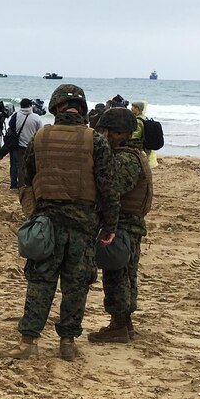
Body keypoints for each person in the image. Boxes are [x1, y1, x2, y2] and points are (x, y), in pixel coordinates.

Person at [12, 84, 119, 361]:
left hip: (46, 222)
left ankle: (28, 342)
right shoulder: (95, 141)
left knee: (40, 283)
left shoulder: (40, 136)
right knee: (76, 286)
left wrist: (35, 213)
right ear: (82, 109)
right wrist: (110, 226)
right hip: (83, 227)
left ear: (55, 107)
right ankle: (68, 342)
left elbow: (27, 177)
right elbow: (109, 188)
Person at [88, 108, 152, 343]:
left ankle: (118, 325)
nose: (106, 136)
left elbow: (111, 190)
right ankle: (124, 323)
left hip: (124, 225)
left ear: (124, 133)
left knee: (117, 274)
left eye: (111, 132)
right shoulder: (132, 154)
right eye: (104, 131)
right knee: (125, 274)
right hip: (128, 225)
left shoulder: (125, 159)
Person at [0, 98, 43, 190]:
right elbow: (40, 132)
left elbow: (10, 128)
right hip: (30, 146)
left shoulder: (15, 115)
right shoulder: (36, 118)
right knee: (28, 166)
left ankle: (14, 184)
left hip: (16, 145)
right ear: (30, 106)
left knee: (15, 165)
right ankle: (24, 185)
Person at [130, 100, 158, 168]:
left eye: (133, 107)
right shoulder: (145, 118)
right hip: (147, 146)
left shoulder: (138, 120)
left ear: (137, 109)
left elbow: (135, 136)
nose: (131, 109)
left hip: (141, 148)